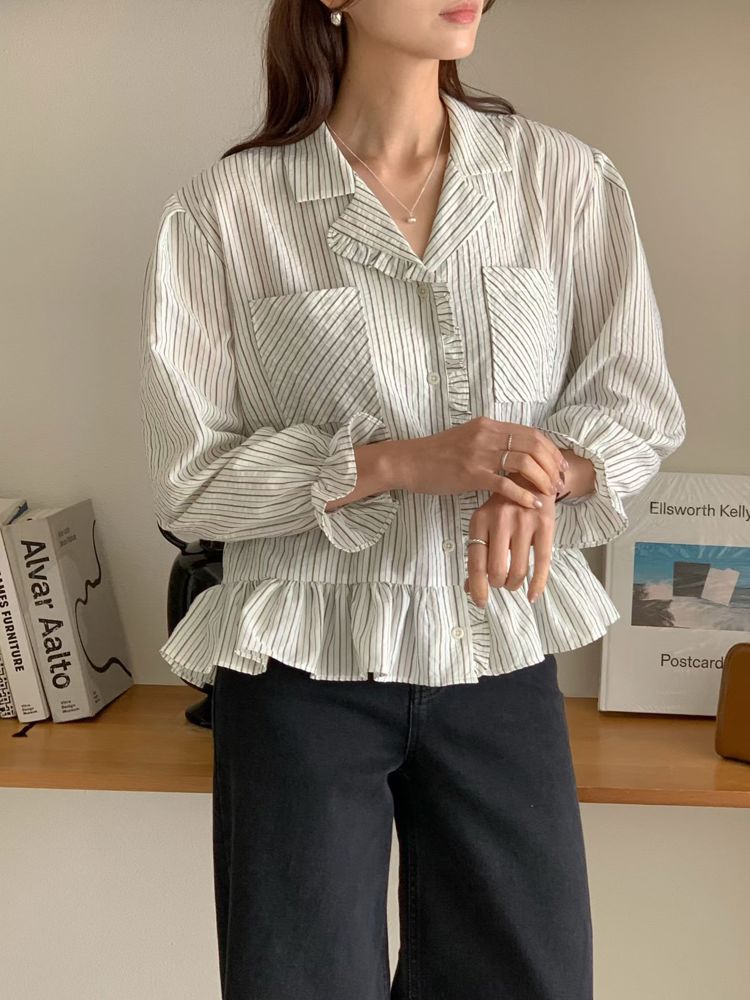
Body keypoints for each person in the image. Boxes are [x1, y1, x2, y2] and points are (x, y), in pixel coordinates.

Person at [139, 1, 687, 997]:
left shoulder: (562, 181)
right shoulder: (229, 211)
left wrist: (545, 474)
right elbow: (193, 476)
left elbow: (634, 406)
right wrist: (399, 463)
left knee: (531, 978)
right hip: (302, 666)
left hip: (499, 648)